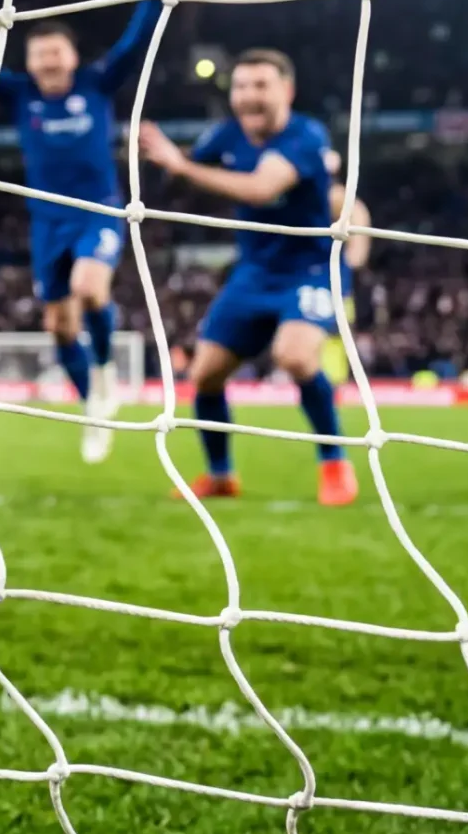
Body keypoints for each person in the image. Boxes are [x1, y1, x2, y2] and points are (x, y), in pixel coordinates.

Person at [0, 0, 166, 463]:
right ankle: (94, 408)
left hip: (98, 208)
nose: (49, 61)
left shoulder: (95, 84)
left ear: (72, 57)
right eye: (39, 55)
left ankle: (103, 374)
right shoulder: (18, 94)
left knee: (88, 287)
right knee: (58, 326)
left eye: (56, 52)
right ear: (30, 62)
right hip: (47, 221)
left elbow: (134, 44)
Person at [136, 49, 365, 507]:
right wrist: (159, 162)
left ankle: (335, 464)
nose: (249, 96)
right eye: (241, 87)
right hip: (254, 272)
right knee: (204, 376)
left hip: (311, 270)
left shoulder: (305, 135)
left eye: (261, 86)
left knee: (295, 357)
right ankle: (221, 476)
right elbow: (182, 172)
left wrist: (181, 166)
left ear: (287, 91)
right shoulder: (226, 135)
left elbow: (263, 189)